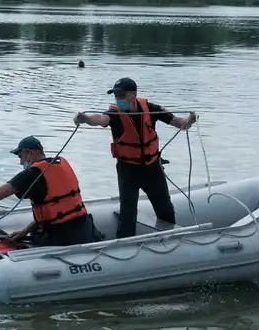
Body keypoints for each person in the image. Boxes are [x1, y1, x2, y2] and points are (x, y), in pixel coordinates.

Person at [73, 77, 196, 238]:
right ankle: (124, 245)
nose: (117, 99)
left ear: (132, 95)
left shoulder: (151, 109)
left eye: (120, 95)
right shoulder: (115, 113)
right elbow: (100, 119)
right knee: (128, 212)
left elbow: (179, 123)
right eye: (115, 96)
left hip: (152, 169)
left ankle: (170, 241)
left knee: (165, 208)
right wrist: (85, 119)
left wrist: (190, 120)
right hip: (128, 171)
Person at [0, 136, 102, 247]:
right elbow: (54, 212)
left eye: (20, 156)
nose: (20, 162)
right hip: (84, 229)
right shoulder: (59, 164)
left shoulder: (32, 174)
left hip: (61, 237)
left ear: (30, 153)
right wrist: (26, 231)